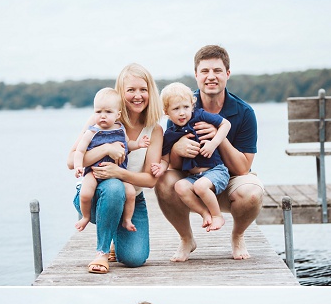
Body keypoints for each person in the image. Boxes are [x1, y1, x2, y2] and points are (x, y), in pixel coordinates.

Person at [155, 45, 264, 261]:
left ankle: (238, 235)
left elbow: (243, 168)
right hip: (194, 178)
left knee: (252, 193)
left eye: (217, 71)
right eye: (204, 71)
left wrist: (218, 138)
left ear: (227, 74)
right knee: (164, 181)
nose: (211, 77)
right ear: (196, 75)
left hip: (229, 178)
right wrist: (177, 148)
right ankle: (187, 238)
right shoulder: (182, 106)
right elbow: (173, 164)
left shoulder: (244, 112)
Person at [66, 63, 164, 274]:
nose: (138, 96)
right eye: (131, 90)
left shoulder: (154, 130)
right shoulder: (100, 120)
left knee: (135, 258)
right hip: (95, 195)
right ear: (121, 93)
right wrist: (106, 148)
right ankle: (101, 253)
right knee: (113, 187)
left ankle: (115, 237)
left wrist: (119, 172)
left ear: (151, 92)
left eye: (143, 89)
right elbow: (71, 161)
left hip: (131, 198)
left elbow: (150, 180)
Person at [154, 82, 232, 232]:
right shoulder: (170, 134)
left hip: (216, 171)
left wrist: (213, 143)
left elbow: (226, 124)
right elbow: (165, 159)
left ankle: (217, 216)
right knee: (180, 186)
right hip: (194, 176)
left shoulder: (200, 115)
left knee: (200, 186)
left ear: (192, 105)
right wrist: (160, 167)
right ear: (166, 112)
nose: (182, 113)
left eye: (186, 107)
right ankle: (205, 213)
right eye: (176, 109)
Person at [73, 87, 150, 233]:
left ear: (117, 114)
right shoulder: (92, 131)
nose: (102, 116)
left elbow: (129, 145)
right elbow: (80, 151)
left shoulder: (120, 129)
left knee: (131, 193)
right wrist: (78, 166)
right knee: (85, 193)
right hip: (94, 172)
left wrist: (139, 144)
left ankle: (127, 220)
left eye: (108, 112)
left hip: (117, 174)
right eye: (98, 111)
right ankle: (85, 217)